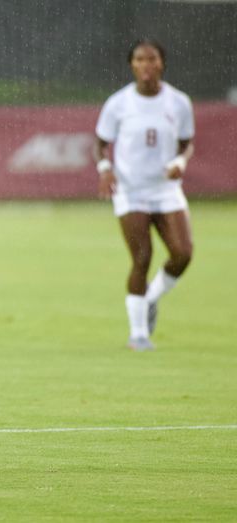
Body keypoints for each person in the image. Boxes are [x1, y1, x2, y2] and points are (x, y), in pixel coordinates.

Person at [93, 39, 195, 351]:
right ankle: (138, 335)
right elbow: (100, 142)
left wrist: (180, 161)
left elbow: (186, 142)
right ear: (132, 65)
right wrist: (105, 167)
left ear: (161, 64)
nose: (146, 65)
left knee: (183, 253)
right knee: (142, 258)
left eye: (151, 59)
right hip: (130, 189)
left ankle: (149, 298)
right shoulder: (119, 103)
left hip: (165, 189)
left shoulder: (178, 102)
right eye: (139, 59)